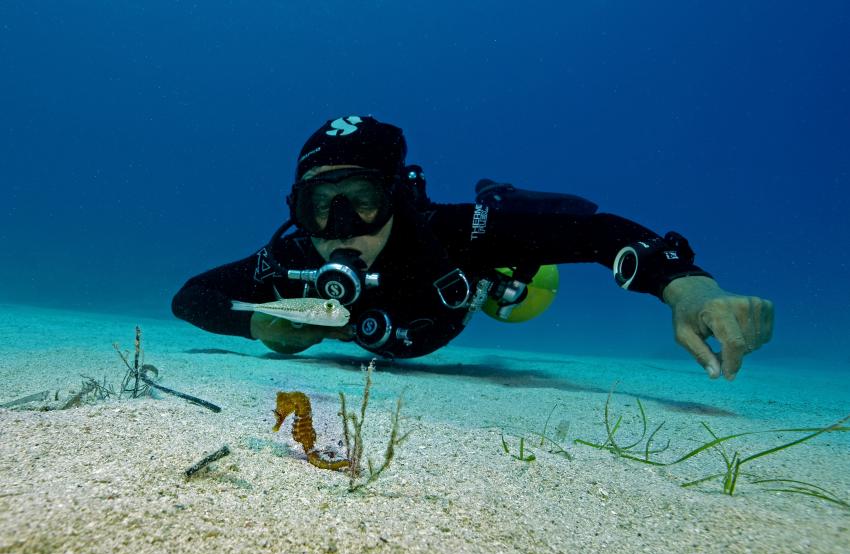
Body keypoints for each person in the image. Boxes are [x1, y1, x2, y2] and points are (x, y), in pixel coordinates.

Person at [172, 115, 774, 380]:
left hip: (486, 291)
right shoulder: (298, 258)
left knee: (527, 294)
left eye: (361, 199)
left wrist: (690, 288)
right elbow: (191, 297)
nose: (340, 225)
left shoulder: (455, 238)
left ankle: (503, 197)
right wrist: (259, 327)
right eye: (317, 206)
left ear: (398, 199)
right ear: (295, 210)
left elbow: (598, 235)